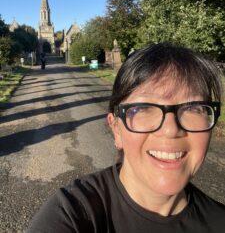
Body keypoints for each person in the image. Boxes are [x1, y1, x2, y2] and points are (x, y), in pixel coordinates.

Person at [26, 43, 225, 232]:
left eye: (193, 108)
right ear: (116, 129)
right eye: (145, 108)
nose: (171, 130)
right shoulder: (72, 214)